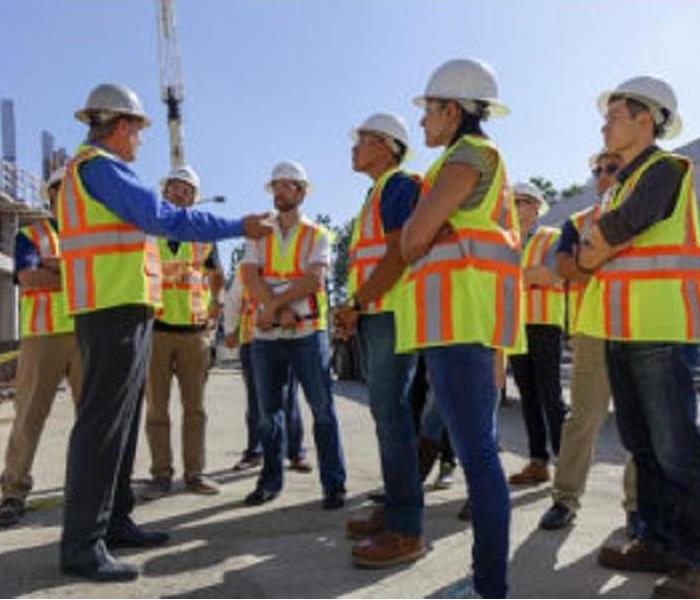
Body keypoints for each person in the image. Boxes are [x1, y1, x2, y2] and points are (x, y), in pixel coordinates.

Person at [57, 83, 271, 582]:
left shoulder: (94, 169)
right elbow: (161, 217)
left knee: (123, 421)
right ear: (123, 127)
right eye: (139, 131)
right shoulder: (99, 166)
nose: (141, 142)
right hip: (109, 308)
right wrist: (237, 224)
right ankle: (82, 546)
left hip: (123, 308)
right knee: (103, 424)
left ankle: (113, 520)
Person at [396, 58, 522, 599]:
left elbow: (412, 240)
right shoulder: (463, 159)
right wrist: (422, 231)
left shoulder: (468, 155)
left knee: (478, 457)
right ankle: (487, 583)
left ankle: (489, 587)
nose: (422, 122)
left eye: (428, 110)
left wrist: (420, 230)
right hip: (466, 322)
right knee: (479, 452)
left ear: (452, 109)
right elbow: (420, 236)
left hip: (461, 322)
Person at [578, 75, 700, 598]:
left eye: (614, 115)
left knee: (676, 450)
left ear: (645, 120)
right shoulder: (622, 181)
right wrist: (595, 245)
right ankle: (659, 540)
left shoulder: (665, 170)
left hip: (660, 326)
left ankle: (695, 558)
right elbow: (586, 251)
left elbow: (615, 231)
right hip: (620, 328)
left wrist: (597, 244)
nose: (605, 124)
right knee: (643, 447)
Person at [333, 113, 423, 567]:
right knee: (387, 416)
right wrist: (357, 306)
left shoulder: (398, 186)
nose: (354, 147)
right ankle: (395, 511)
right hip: (378, 312)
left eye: (363, 139)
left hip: (392, 312)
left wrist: (357, 303)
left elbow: (398, 253)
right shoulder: (377, 191)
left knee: (393, 419)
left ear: (389, 146)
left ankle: (406, 528)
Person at [538, 150, 639, 533]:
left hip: (638, 326)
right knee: (582, 420)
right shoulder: (577, 222)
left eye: (611, 168)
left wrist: (589, 257)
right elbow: (565, 269)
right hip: (594, 329)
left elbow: (578, 265)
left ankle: (637, 507)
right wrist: (600, 256)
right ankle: (564, 500)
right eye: (597, 169)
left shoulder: (645, 213)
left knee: (639, 424)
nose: (602, 174)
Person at [241, 161, 347, 510]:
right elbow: (250, 278)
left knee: (322, 410)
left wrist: (273, 307)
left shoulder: (317, 234)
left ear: (301, 193)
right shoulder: (258, 233)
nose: (280, 191)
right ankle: (270, 481)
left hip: (306, 334)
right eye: (276, 186)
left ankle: (334, 485)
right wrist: (276, 309)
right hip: (268, 336)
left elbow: (313, 280)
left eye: (288, 185)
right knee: (268, 413)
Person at [0, 167, 81, 528]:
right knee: (29, 416)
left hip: (88, 335)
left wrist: (55, 271)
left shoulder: (90, 236)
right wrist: (77, 275)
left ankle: (90, 489)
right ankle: (13, 492)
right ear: (50, 196)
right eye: (60, 191)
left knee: (93, 417)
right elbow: (30, 277)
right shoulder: (31, 234)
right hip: (43, 334)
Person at [141, 165, 224, 500]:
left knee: (195, 409)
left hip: (194, 333)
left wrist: (216, 306)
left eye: (186, 190)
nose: (179, 193)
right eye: (174, 188)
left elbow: (217, 275)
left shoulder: (202, 236)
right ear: (164, 193)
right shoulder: (148, 232)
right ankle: (161, 475)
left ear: (193, 199)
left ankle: (195, 474)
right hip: (156, 331)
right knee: (156, 409)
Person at [508, 183, 569, 485]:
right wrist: (526, 278)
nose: (515, 207)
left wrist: (511, 278)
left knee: (550, 396)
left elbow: (550, 274)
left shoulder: (552, 237)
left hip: (545, 323)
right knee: (528, 398)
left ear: (535, 206)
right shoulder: (507, 244)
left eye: (520, 202)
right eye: (512, 202)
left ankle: (566, 466)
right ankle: (538, 463)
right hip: (516, 327)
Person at [223, 265, 310, 473]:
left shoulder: (286, 261)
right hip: (252, 339)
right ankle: (255, 451)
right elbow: (233, 300)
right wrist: (229, 329)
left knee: (288, 397)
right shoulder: (245, 267)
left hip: (285, 337)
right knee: (256, 400)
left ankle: (296, 452)